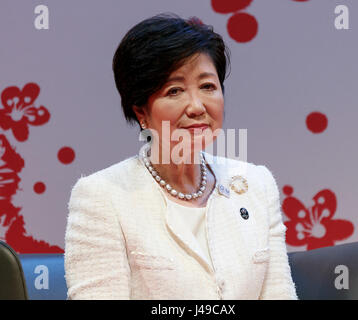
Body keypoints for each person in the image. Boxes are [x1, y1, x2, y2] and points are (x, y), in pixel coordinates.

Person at [64, 13, 298, 300]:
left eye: (207, 86)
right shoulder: (102, 196)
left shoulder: (256, 184)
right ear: (141, 112)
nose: (197, 106)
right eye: (174, 91)